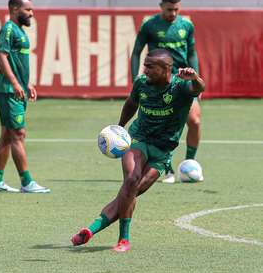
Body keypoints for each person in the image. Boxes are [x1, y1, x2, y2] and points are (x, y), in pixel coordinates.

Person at [71, 49, 205, 252]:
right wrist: (119, 128)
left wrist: (194, 77)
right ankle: (123, 239)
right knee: (131, 180)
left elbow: (199, 88)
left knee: (134, 190)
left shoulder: (181, 87)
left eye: (151, 66)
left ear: (166, 69)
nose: (146, 69)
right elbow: (131, 103)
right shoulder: (141, 83)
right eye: (145, 64)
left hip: (163, 150)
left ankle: (91, 230)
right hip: (138, 139)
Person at [131, 0, 201, 183]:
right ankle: (167, 168)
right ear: (161, 6)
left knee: (194, 121)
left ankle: (189, 163)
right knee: (162, 124)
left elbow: (193, 53)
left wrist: (196, 77)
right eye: (169, 9)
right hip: (159, 83)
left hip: (182, 82)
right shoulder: (150, 25)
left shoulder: (186, 25)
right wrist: (133, 79)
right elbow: (136, 52)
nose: (173, 13)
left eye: (177, 9)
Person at [0, 0, 50, 193]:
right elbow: (1, 57)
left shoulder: (19, 31)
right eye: (28, 9)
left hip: (15, 89)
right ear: (15, 9)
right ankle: (27, 182)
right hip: (7, 90)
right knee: (18, 134)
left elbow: (17, 62)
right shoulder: (8, 29)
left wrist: (26, 83)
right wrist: (15, 83)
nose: (31, 13)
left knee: (7, 134)